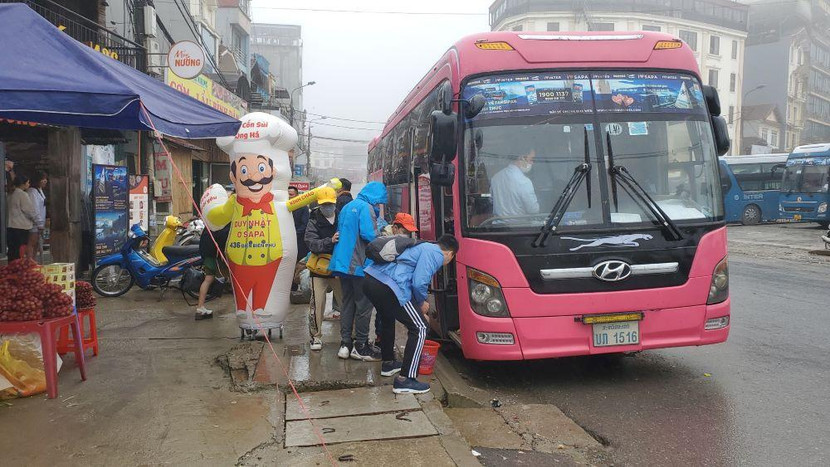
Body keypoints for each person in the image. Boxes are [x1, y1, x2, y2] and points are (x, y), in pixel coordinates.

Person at [363, 234, 459, 394]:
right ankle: (405, 379)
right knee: (421, 327)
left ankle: (388, 363)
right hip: (390, 285)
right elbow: (419, 282)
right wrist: (421, 303)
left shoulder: (421, 246)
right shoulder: (435, 252)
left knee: (387, 318)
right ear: (450, 254)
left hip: (371, 279)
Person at [330, 181, 387, 361]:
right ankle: (361, 345)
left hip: (342, 264)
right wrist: (383, 236)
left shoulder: (348, 206)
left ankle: (345, 344)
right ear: (375, 197)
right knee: (363, 306)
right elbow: (369, 235)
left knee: (347, 304)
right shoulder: (366, 208)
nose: (378, 205)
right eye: (379, 201)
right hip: (359, 265)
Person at [304, 187, 343, 351]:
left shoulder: (343, 217)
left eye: (330, 204)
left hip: (339, 269)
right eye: (324, 204)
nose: (328, 207)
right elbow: (311, 243)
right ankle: (316, 337)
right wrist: (330, 241)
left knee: (345, 303)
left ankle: (349, 337)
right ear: (319, 205)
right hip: (318, 270)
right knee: (317, 304)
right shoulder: (313, 220)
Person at [490, 143, 539, 218]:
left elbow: (491, 201)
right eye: (531, 159)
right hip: (519, 226)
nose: (532, 163)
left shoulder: (495, 178)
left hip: (498, 226)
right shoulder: (524, 182)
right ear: (522, 158)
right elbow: (533, 210)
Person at [196, 224, 230, 320]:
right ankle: (242, 309)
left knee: (207, 280)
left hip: (207, 256)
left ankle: (200, 307)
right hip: (215, 257)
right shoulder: (222, 226)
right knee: (234, 279)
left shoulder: (209, 224)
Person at [6, 175, 37, 261]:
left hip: (10, 226)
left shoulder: (10, 194)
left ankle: (11, 268)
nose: (29, 185)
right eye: (27, 183)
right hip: (21, 227)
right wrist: (37, 221)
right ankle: (18, 268)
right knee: (20, 251)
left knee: (12, 250)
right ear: (23, 184)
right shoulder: (22, 194)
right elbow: (29, 211)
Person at [26, 172, 47, 261]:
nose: (45, 181)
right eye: (43, 179)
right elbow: (34, 209)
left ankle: (33, 261)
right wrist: (39, 222)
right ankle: (30, 262)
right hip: (34, 223)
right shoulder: (32, 191)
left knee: (37, 244)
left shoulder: (40, 190)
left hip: (39, 222)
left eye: (46, 179)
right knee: (32, 243)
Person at [289, 186, 310, 264]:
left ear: (296, 196)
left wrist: (294, 234)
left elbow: (305, 224)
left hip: (299, 241)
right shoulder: (284, 207)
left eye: (291, 195)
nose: (289, 197)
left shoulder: (303, 207)